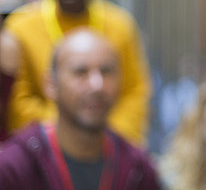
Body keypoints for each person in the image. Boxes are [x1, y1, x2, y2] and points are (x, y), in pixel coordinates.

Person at [1, 0, 151, 145]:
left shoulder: (120, 26)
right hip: (40, 150)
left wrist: (104, 139)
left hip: (109, 149)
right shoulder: (20, 27)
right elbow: (17, 102)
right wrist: (71, 135)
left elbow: (135, 94)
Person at [0, 29, 161, 189]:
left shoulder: (138, 170)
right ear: (51, 85)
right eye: (80, 72)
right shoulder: (14, 168)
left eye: (106, 71)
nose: (97, 85)